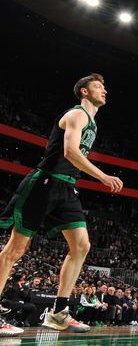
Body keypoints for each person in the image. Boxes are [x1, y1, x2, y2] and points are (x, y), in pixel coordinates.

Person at [0, 73, 124, 336]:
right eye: (98, 87)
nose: (104, 91)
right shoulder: (77, 114)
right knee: (15, 250)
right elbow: (70, 152)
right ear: (84, 92)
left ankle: (58, 313)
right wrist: (102, 176)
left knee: (81, 245)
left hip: (66, 188)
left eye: (105, 87)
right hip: (44, 183)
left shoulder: (93, 123)